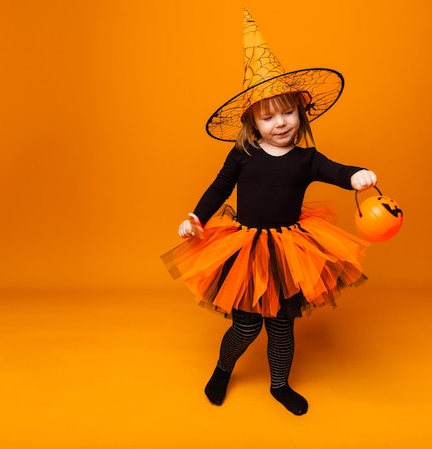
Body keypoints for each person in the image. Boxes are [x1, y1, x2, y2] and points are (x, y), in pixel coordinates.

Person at [161, 9, 377, 416]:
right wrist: (195, 218)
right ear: (252, 123)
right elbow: (218, 188)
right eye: (268, 115)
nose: (280, 122)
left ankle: (279, 384)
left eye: (287, 112)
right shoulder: (242, 154)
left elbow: (337, 171)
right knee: (245, 325)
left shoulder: (306, 158)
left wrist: (358, 176)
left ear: (301, 112)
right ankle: (224, 369)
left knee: (281, 326)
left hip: (289, 248)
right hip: (245, 247)